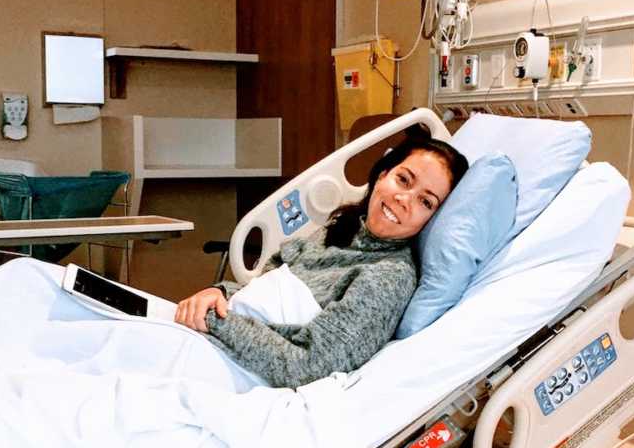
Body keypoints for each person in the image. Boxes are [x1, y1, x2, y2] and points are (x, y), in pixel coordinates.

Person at [174, 136, 468, 389]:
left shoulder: (388, 277)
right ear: (382, 174)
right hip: (217, 342)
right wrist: (219, 294)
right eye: (403, 179)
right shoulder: (342, 227)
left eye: (426, 202)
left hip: (238, 373)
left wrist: (214, 318)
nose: (404, 199)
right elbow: (263, 285)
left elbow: (307, 367)